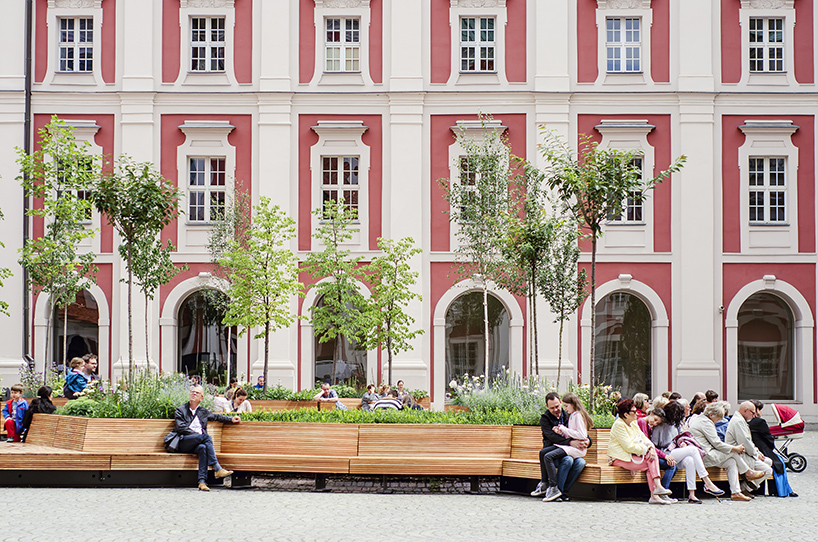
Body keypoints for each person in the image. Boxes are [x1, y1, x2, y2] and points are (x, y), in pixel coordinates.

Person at [642, 402, 725, 503]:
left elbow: (680, 437)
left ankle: (692, 494)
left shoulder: (676, 424)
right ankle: (707, 482)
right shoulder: (660, 425)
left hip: (675, 452)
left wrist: (682, 443)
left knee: (690, 460)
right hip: (666, 453)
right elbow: (654, 444)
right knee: (693, 450)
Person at [688, 401, 766, 501]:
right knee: (733, 452)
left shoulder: (701, 420)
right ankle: (748, 472)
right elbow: (716, 443)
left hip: (705, 454)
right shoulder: (706, 423)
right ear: (711, 415)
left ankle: (736, 492)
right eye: (717, 418)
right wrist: (735, 448)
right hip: (706, 455)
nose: (717, 422)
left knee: (731, 462)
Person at [169, 385, 239, 491]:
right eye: (192, 392)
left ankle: (202, 482)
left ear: (201, 398)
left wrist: (231, 419)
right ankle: (217, 467)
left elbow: (216, 417)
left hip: (197, 443)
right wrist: (198, 436)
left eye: (197, 393)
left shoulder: (202, 411)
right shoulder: (181, 410)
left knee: (203, 447)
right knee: (205, 437)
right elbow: (180, 428)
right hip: (184, 441)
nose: (194, 394)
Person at [607, 398, 673, 504]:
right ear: (625, 414)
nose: (636, 413)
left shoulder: (633, 423)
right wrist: (647, 450)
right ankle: (656, 491)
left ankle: (656, 492)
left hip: (632, 456)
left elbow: (644, 439)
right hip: (618, 458)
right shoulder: (619, 425)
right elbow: (628, 446)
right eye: (633, 411)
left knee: (652, 457)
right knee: (650, 461)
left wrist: (651, 448)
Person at [531, 392, 589, 502]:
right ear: (547, 407)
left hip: (571, 450)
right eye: (552, 408)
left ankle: (562, 492)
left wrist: (587, 442)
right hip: (557, 449)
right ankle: (550, 486)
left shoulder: (569, 414)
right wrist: (570, 442)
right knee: (567, 460)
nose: (556, 409)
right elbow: (553, 438)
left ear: (561, 403)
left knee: (581, 463)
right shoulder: (545, 419)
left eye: (558, 406)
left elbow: (581, 432)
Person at [748, 400, 797, 498]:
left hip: (752, 447)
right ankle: (782, 490)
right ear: (756, 410)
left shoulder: (745, 421)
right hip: (762, 449)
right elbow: (768, 438)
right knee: (779, 462)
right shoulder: (760, 422)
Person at [726, 401, 773, 496]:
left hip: (744, 454)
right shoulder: (738, 421)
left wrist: (757, 451)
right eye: (752, 413)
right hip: (740, 456)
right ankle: (745, 488)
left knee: (768, 461)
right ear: (745, 410)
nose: (754, 416)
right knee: (768, 470)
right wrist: (756, 454)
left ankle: (747, 487)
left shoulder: (740, 420)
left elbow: (748, 442)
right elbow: (745, 442)